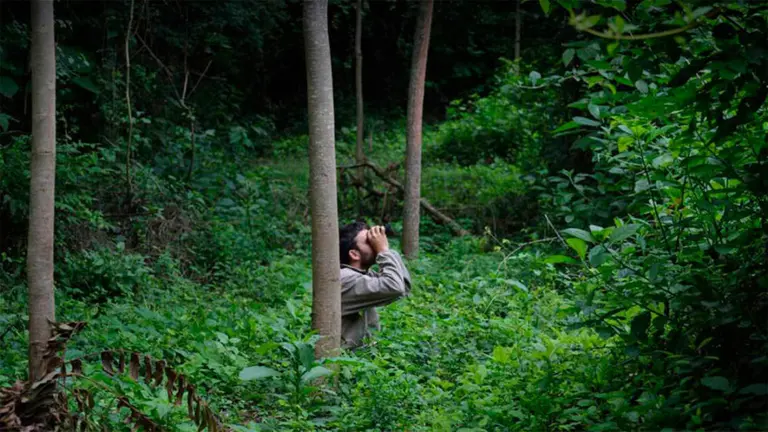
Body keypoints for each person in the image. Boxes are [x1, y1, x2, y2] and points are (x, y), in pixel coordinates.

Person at [338, 221, 412, 348]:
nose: (375, 242)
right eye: (368, 241)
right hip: (344, 358)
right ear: (354, 254)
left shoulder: (364, 275)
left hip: (360, 356)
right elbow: (395, 287)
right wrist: (383, 250)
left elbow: (403, 287)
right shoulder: (345, 278)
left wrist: (386, 250)